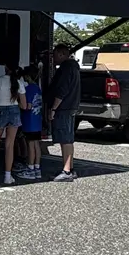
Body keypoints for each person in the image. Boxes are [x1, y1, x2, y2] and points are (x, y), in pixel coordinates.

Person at [48, 43, 82, 182]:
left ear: (62, 54)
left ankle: (66, 171)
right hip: (71, 106)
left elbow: (62, 90)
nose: (53, 58)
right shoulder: (74, 67)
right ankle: (70, 168)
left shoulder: (66, 68)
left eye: (55, 55)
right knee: (68, 138)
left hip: (63, 107)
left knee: (65, 139)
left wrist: (53, 108)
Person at [15, 65, 43, 181]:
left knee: (30, 145)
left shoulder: (29, 89)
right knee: (37, 145)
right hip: (37, 121)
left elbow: (27, 106)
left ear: (27, 76)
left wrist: (19, 103)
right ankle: (37, 168)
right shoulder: (37, 88)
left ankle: (30, 168)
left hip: (29, 121)